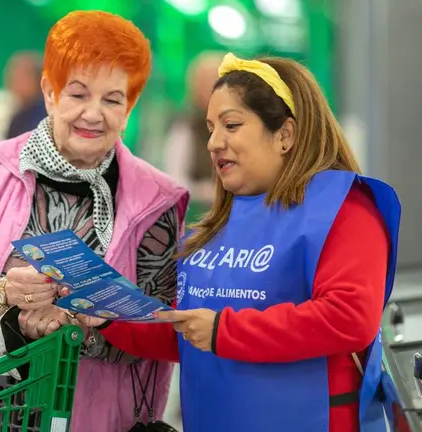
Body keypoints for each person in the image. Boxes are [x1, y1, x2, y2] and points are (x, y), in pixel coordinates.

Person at [81, 53, 401, 432]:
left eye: (232, 125)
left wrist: (223, 331)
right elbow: (190, 331)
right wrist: (108, 316)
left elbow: (349, 318)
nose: (214, 142)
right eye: (211, 127)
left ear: (285, 134)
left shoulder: (344, 209)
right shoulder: (219, 223)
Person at [0, 10, 189, 432]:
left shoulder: (155, 200)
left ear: (129, 108)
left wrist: (77, 331)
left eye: (112, 99)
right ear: (50, 93)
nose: (93, 114)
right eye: (78, 94)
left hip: (98, 414)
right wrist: (1, 295)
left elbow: (158, 331)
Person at [163, 52, 224, 209]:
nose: (209, 88)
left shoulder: (244, 125)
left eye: (215, 80)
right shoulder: (184, 125)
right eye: (204, 82)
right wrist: (205, 191)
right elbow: (175, 179)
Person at [4, 51, 47, 138]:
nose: (13, 83)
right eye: (12, 77)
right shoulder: (18, 117)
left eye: (20, 78)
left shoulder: (47, 116)